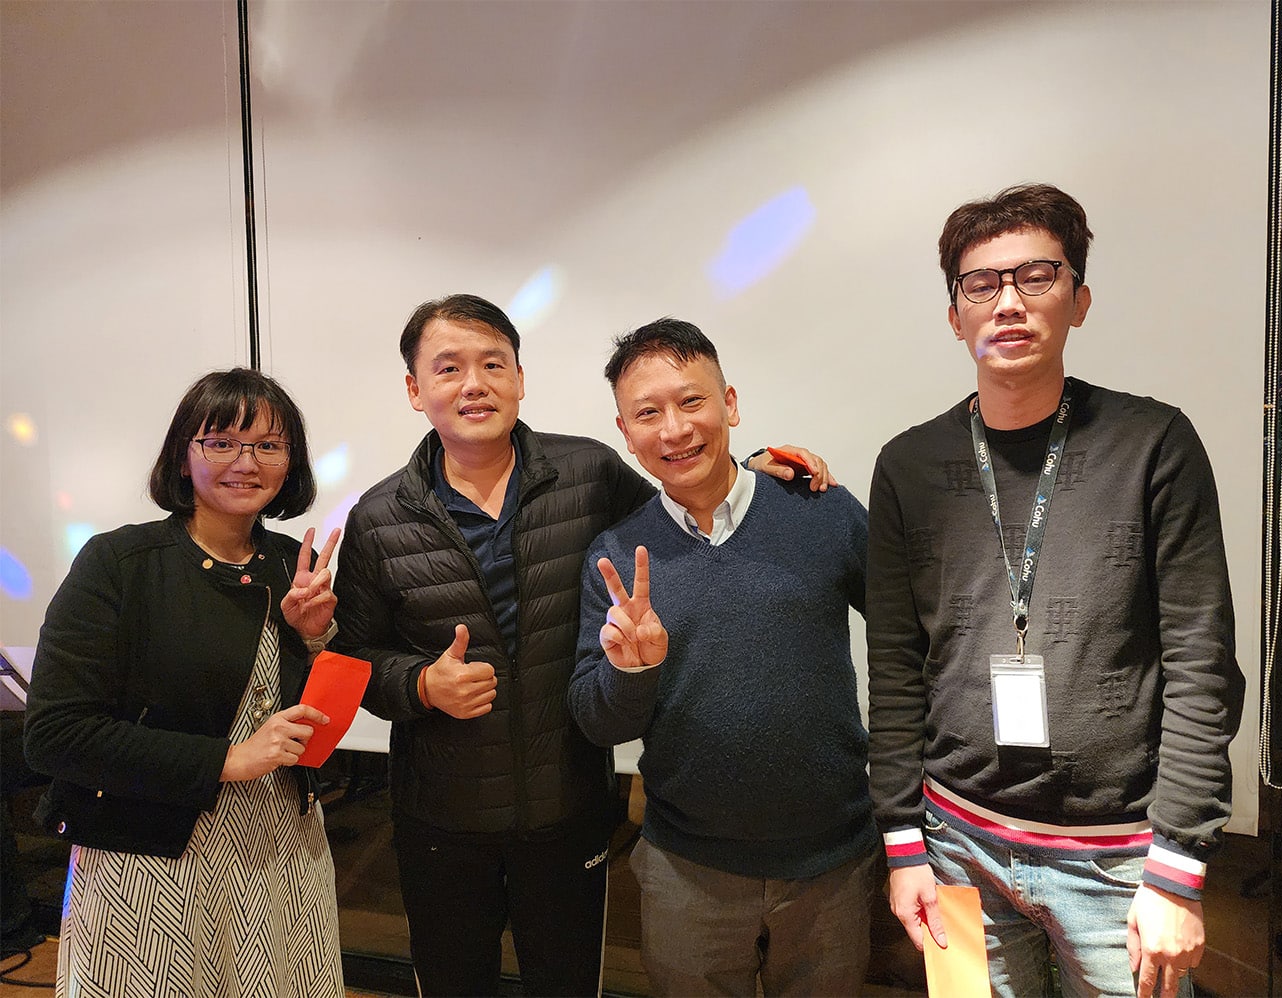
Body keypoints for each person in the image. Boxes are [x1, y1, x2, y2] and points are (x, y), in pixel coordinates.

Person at [332, 294, 831, 997]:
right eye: (448, 368)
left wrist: (749, 467)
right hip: (440, 818)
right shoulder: (380, 518)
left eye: (492, 364)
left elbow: (680, 505)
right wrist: (417, 685)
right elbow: (352, 660)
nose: (473, 384)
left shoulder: (588, 473)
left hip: (566, 809)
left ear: (520, 378)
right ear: (416, 391)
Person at [867, 183, 1245, 998]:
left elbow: (1200, 661)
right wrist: (902, 843)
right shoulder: (907, 464)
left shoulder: (1153, 444)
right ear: (953, 313)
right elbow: (895, 666)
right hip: (955, 844)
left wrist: (1177, 867)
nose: (1007, 302)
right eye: (981, 284)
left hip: (1118, 862)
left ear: (1077, 300)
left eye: (1035, 277)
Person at [567, 318, 880, 996]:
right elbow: (595, 720)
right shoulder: (616, 555)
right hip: (687, 867)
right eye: (647, 413)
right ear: (625, 434)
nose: (673, 429)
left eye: (691, 401)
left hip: (831, 860)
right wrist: (632, 669)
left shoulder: (822, 514)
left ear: (730, 405)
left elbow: (910, 633)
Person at [23, 367, 344, 998]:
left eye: (268, 446)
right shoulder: (119, 564)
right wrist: (226, 759)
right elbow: (55, 736)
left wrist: (313, 639)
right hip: (148, 858)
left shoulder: (293, 565)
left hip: (280, 851)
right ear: (183, 455)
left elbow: (308, 719)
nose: (244, 462)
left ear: (291, 462)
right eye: (220, 442)